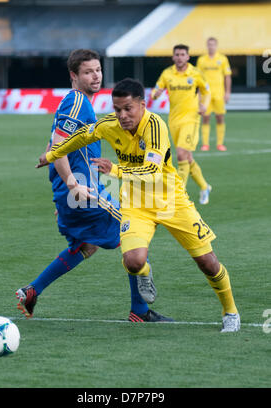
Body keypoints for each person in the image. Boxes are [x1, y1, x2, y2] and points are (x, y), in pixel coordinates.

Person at [36, 78, 241, 333]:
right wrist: (52, 155)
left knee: (207, 262)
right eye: (117, 109)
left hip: (169, 199)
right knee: (133, 261)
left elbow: (153, 171)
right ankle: (145, 272)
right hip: (135, 203)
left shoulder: (155, 125)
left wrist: (116, 170)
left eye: (128, 109)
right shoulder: (109, 124)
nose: (122, 115)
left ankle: (230, 311)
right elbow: (80, 137)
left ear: (142, 105)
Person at [16, 50, 172, 323]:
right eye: (88, 72)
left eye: (98, 70)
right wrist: (73, 186)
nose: (96, 75)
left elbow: (53, 146)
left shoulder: (81, 104)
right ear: (74, 76)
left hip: (84, 189)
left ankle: (32, 290)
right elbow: (59, 144)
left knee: (87, 246)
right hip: (84, 189)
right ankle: (140, 309)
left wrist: (64, 191)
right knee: (132, 228)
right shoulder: (76, 101)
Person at [151, 44, 212, 205]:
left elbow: (207, 90)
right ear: (173, 57)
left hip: (191, 119)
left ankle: (180, 194)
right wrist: (155, 94)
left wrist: (204, 105)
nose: (179, 57)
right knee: (187, 157)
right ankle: (205, 187)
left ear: (188, 57)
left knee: (180, 154)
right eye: (176, 54)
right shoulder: (167, 74)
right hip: (174, 120)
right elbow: (155, 90)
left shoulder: (196, 74)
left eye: (182, 54)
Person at [197, 37, 232, 151]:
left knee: (219, 117)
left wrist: (227, 92)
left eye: (213, 45)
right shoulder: (201, 60)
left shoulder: (222, 59)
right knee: (205, 117)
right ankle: (205, 144)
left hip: (219, 93)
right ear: (207, 46)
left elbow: (227, 76)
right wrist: (198, 94)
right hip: (205, 94)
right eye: (209, 44)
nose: (211, 46)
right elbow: (198, 78)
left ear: (216, 46)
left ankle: (220, 144)